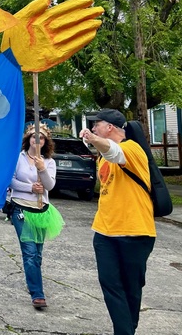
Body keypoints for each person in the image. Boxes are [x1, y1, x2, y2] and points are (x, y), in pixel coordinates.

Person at [79, 109, 155, 335]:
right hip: (104, 232)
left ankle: (126, 330)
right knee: (110, 286)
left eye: (97, 125)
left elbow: (115, 152)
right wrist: (95, 143)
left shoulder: (132, 149)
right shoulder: (102, 157)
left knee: (131, 289)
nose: (93, 128)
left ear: (110, 127)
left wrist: (93, 140)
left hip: (135, 232)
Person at [9, 124, 63, 309]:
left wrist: (42, 169)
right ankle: (37, 294)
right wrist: (29, 187)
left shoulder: (49, 162)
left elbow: (49, 186)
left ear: (45, 142)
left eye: (41, 138)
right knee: (30, 252)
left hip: (41, 210)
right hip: (21, 209)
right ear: (28, 139)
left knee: (37, 253)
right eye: (34, 137)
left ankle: (32, 280)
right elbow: (10, 180)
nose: (37, 140)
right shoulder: (18, 158)